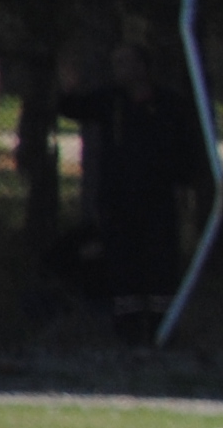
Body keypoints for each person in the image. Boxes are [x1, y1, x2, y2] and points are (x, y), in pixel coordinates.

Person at [62, 41, 209, 346]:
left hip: (157, 199)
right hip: (118, 199)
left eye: (126, 63)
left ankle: (162, 329)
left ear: (143, 68)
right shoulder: (111, 101)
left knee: (159, 264)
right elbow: (74, 109)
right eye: (116, 64)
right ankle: (127, 331)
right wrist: (68, 87)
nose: (120, 70)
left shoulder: (169, 104)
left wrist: (184, 184)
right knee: (122, 264)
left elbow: (187, 149)